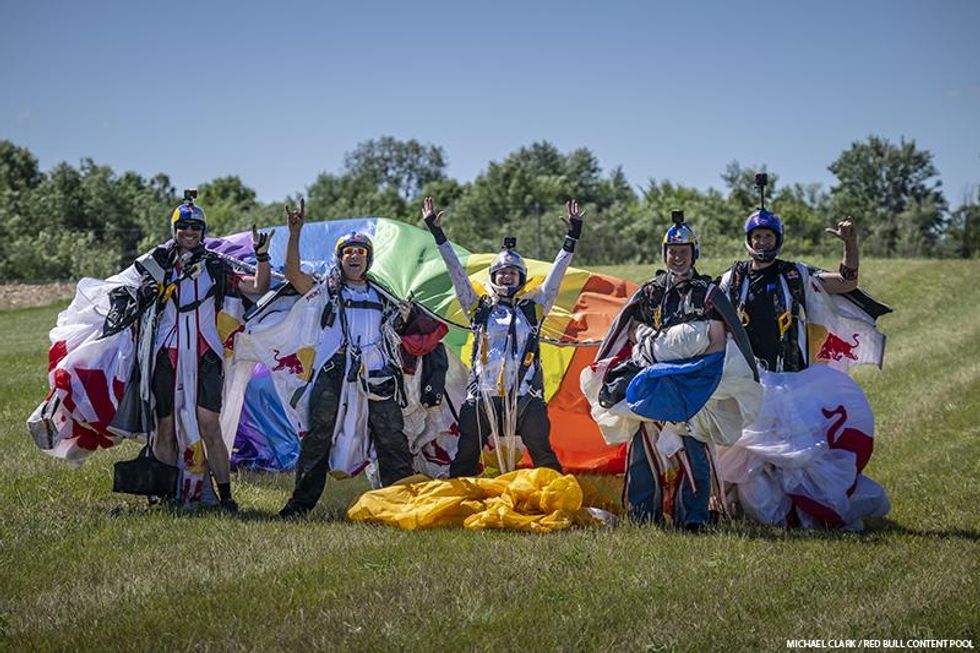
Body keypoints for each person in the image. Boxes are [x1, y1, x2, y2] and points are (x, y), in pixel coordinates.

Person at [583, 212, 760, 530]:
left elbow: (719, 340)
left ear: (695, 253)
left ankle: (693, 518)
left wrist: (681, 365)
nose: (677, 257)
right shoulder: (650, 292)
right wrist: (636, 350)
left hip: (692, 384)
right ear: (664, 254)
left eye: (684, 252)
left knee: (694, 450)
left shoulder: (707, 294)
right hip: (652, 381)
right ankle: (642, 517)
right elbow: (626, 328)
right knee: (642, 449)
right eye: (672, 252)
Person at [277, 200, 423, 518]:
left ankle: (399, 504)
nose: (354, 256)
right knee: (318, 438)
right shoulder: (326, 289)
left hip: (377, 375)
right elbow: (292, 274)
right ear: (340, 258)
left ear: (368, 259)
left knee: (391, 439)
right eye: (348, 252)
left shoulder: (381, 295)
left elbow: (399, 328)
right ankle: (299, 506)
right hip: (333, 373)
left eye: (360, 252)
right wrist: (294, 233)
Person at [422, 196, 584, 477]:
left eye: (513, 273)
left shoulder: (535, 307)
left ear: (521, 278)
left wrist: (572, 235)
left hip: (524, 397)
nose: (507, 278)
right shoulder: (477, 306)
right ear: (493, 277)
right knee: (466, 452)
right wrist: (438, 234)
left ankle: (558, 495)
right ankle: (461, 501)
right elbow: (456, 271)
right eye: (502, 273)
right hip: (483, 396)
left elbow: (557, 274)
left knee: (542, 450)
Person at [142, 193, 272, 510]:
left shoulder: (214, 265)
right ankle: (164, 494)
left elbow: (257, 288)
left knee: (209, 425)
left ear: (203, 231)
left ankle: (225, 495)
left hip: (205, 353)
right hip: (166, 352)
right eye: (183, 227)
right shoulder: (157, 263)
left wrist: (262, 257)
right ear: (174, 228)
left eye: (196, 228)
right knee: (166, 425)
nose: (189, 233)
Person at [717, 209, 859, 372]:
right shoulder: (734, 277)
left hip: (791, 375)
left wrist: (850, 243)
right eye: (757, 236)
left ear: (778, 239)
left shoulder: (797, 274)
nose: (763, 241)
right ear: (749, 239)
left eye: (768, 236)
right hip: (746, 374)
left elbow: (846, 282)